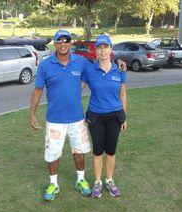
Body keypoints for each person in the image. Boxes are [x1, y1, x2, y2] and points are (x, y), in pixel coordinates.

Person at [30, 30, 126, 201]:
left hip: (77, 117)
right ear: (55, 44)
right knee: (52, 152)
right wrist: (32, 113)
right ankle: (53, 183)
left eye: (66, 40)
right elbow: (38, 90)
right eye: (59, 41)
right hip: (55, 119)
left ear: (70, 43)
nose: (63, 44)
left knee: (79, 150)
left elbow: (103, 59)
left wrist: (118, 59)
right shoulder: (46, 65)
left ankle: (81, 180)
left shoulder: (81, 62)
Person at [81, 34, 127, 198]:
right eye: (99, 48)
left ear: (111, 50)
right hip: (96, 117)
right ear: (95, 52)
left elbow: (122, 95)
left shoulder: (119, 69)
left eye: (105, 47)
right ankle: (98, 182)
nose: (102, 51)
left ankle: (109, 180)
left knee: (111, 151)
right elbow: (78, 87)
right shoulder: (89, 70)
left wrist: (124, 117)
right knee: (98, 151)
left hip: (115, 116)